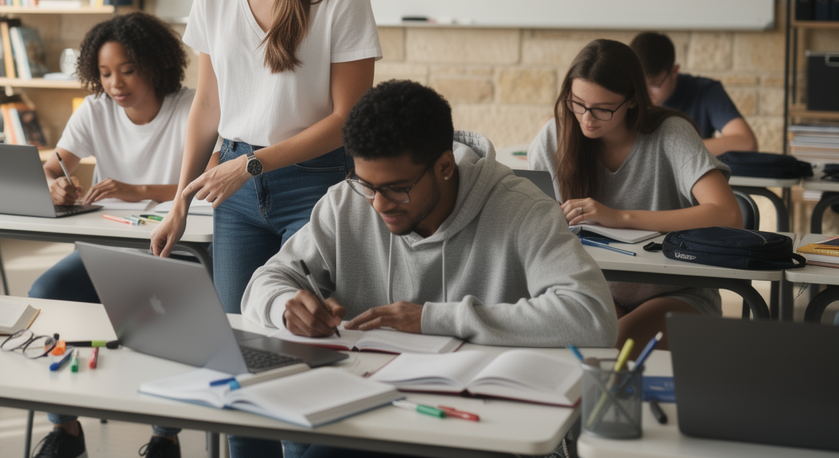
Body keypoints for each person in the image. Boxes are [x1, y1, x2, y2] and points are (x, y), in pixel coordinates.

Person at [150, 0, 380, 458]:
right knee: (241, 363)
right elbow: (206, 104)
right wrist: (178, 201)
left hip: (316, 186)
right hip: (235, 192)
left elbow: (347, 123)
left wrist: (253, 165)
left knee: (305, 359)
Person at [242, 77, 616, 344]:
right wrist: (283, 307)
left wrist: (432, 319)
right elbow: (265, 282)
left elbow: (592, 316)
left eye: (397, 188)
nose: (378, 203)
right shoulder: (346, 202)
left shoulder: (524, 210)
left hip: (482, 418)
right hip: (369, 411)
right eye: (367, 184)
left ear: (444, 166)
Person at [28, 12, 194, 458]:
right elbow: (52, 164)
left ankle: (165, 436)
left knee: (164, 313)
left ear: (155, 65)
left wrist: (137, 190)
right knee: (46, 292)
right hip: (108, 246)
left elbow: (208, 177)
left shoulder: (190, 108)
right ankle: (65, 430)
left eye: (127, 69)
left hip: (174, 248)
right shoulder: (97, 111)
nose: (115, 84)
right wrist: (55, 185)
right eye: (104, 73)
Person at [529, 39, 742, 350]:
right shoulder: (555, 136)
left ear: (631, 100)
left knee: (611, 345)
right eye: (577, 103)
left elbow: (728, 214)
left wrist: (619, 217)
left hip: (676, 293)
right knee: (556, 342)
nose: (587, 118)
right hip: (594, 289)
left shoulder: (671, 133)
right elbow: (531, 228)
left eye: (602, 109)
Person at [630, 31, 758, 155]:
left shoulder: (705, 91)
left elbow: (746, 143)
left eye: (654, 84)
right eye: (638, 85)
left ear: (674, 71)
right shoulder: (625, 92)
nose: (643, 93)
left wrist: (675, 149)